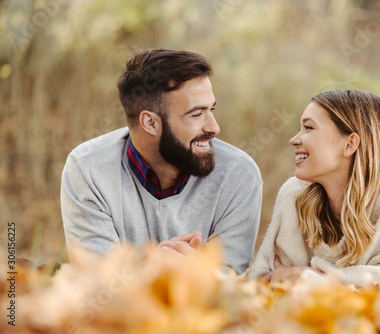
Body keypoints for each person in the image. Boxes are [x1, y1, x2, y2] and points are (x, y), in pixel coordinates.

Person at [61, 48, 262, 274]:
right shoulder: (88, 169)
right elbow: (98, 282)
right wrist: (156, 270)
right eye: (197, 114)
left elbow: (229, 282)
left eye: (211, 109)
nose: (214, 127)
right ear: (150, 123)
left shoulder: (239, 175)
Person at [248, 89, 380, 291]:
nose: (294, 140)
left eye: (308, 127)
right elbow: (267, 278)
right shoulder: (294, 195)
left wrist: (313, 278)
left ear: (349, 144)